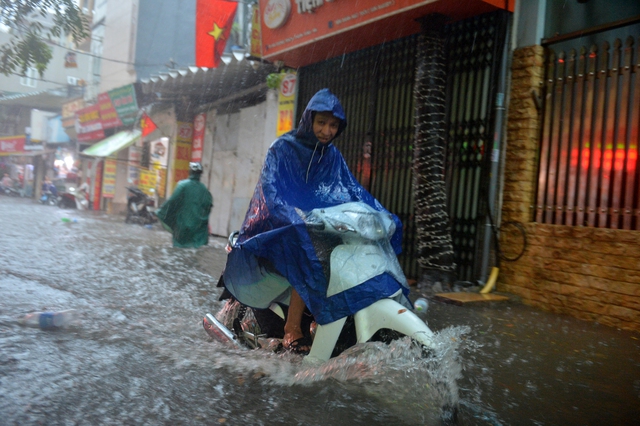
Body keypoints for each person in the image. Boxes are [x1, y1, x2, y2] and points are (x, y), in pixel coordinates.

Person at [222, 88, 408, 354]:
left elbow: (352, 190)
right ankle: (292, 329)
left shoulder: (331, 156)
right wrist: (292, 220)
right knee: (309, 253)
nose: (327, 130)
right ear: (309, 120)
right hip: (277, 226)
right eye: (321, 122)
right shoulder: (282, 148)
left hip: (316, 224)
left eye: (333, 125)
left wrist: (381, 214)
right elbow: (270, 191)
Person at [156, 162, 213, 248]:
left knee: (179, 251)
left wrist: (160, 212)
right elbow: (208, 207)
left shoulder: (182, 185)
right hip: (197, 229)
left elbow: (172, 201)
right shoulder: (204, 190)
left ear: (190, 172)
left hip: (182, 227)